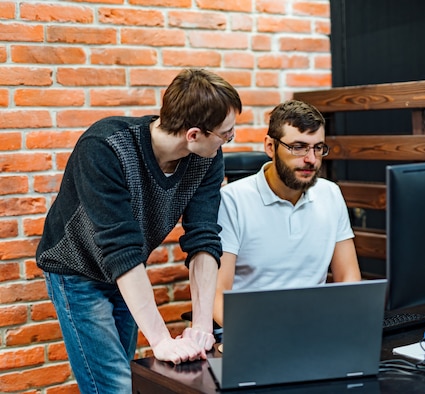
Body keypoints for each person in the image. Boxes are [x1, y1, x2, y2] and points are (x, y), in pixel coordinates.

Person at [36, 69, 242, 393]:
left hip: (128, 269)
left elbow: (203, 237)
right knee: (115, 386)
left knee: (131, 381)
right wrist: (160, 340)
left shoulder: (207, 156)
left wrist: (202, 327)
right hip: (77, 272)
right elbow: (120, 247)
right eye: (226, 134)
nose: (229, 140)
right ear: (193, 134)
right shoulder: (105, 146)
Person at [214, 99, 362, 327]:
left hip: (315, 327)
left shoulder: (330, 194)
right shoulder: (232, 200)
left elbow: (349, 280)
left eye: (318, 148)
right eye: (298, 147)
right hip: (254, 329)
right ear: (270, 147)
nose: (311, 159)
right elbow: (217, 298)